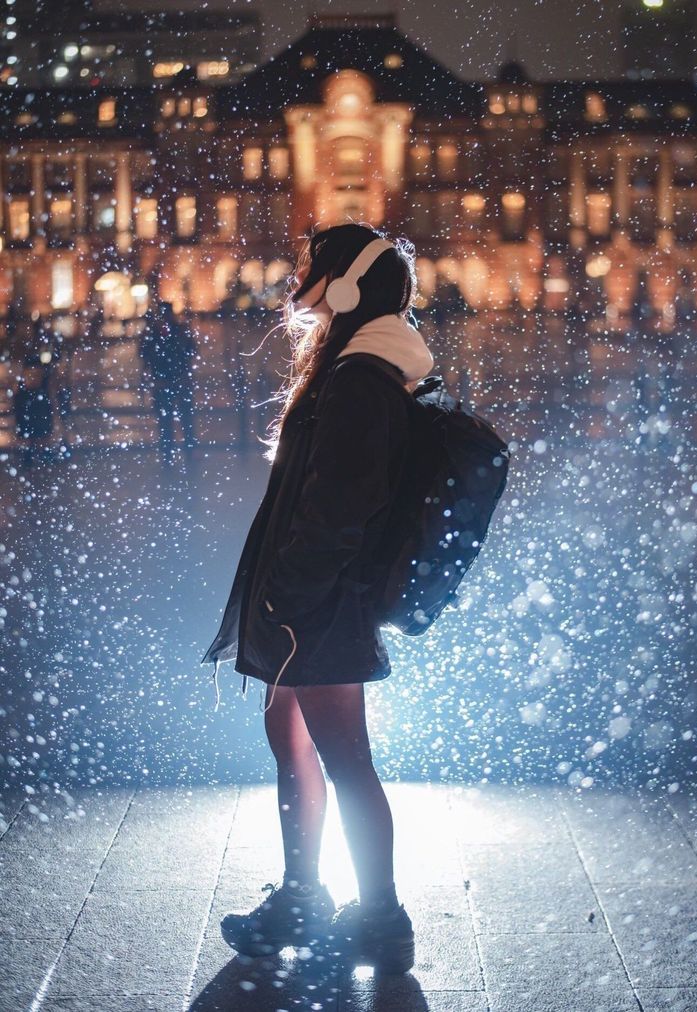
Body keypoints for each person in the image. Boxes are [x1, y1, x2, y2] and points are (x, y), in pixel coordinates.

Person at [202, 223, 435, 974]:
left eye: (316, 266)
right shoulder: (358, 363)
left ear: (345, 283)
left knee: (343, 758)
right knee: (293, 744)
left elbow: (342, 503)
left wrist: (290, 596)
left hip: (319, 605)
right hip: (308, 600)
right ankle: (305, 894)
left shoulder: (362, 375)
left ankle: (382, 917)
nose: (303, 278)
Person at [139, 300, 197, 462]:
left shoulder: (156, 332)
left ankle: (171, 455)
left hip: (167, 381)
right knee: (179, 420)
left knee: (171, 421)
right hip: (172, 381)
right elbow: (191, 350)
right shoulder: (176, 330)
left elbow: (144, 354)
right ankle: (179, 454)